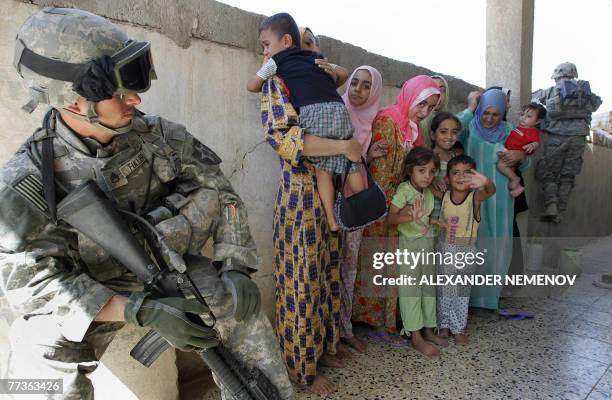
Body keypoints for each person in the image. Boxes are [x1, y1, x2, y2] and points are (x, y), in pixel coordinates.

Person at [0, 8, 292, 400]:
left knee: (243, 313)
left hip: (169, 269)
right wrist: (137, 309)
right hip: (95, 295)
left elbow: (220, 191)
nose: (134, 99)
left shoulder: (156, 135)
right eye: (118, 93)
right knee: (34, 375)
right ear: (72, 101)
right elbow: (30, 285)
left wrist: (236, 264)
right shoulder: (27, 182)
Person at [255, 17, 364, 398]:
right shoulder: (276, 81)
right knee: (300, 284)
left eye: (310, 45)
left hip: (328, 189)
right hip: (299, 197)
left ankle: (323, 348)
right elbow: (283, 139)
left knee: (327, 277)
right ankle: (302, 370)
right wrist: (342, 148)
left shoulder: (316, 78)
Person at [247, 13, 364, 231]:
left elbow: (252, 85)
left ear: (285, 41)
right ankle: (364, 204)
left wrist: (266, 62)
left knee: (324, 173)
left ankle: (333, 220)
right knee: (352, 165)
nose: (265, 50)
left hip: (315, 121)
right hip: (338, 112)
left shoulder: (280, 65)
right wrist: (332, 72)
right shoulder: (311, 65)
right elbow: (344, 72)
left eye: (266, 45)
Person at [352, 76, 440, 346]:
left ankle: (394, 321)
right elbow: (380, 172)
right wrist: (394, 205)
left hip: (400, 205)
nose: (424, 112)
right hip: (384, 206)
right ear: (410, 95)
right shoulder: (388, 121)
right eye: (422, 104)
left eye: (430, 108)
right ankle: (373, 321)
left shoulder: (412, 128)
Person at [456, 88, 529, 310]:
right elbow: (451, 132)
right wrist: (471, 108)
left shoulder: (509, 131)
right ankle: (466, 299)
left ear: (503, 114)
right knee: (473, 243)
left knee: (498, 244)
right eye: (485, 112)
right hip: (471, 196)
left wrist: (521, 156)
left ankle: (489, 298)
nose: (489, 119)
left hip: (500, 200)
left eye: (495, 114)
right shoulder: (469, 127)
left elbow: (526, 164)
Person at [339, 66, 383, 354]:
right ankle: (330, 335)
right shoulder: (337, 109)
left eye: (366, 85)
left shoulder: (369, 121)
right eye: (354, 82)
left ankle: (344, 330)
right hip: (327, 198)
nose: (357, 89)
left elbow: (355, 155)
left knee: (349, 269)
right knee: (327, 270)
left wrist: (369, 155)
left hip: (354, 204)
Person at [388, 147, 448, 356]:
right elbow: (392, 218)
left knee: (428, 288)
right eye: (422, 171)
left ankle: (429, 329)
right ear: (410, 170)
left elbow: (424, 215)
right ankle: (415, 336)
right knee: (411, 292)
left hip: (427, 244)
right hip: (410, 247)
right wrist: (410, 218)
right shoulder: (405, 190)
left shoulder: (429, 190)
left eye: (432, 171)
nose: (427, 176)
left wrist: (433, 221)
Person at [436, 155, 496, 345]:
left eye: (467, 173)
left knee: (461, 292)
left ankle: (458, 328)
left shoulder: (475, 198)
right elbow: (428, 185)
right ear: (448, 178)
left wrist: (485, 181)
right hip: (445, 249)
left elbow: (491, 191)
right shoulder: (444, 196)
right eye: (455, 173)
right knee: (445, 291)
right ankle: (443, 325)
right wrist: (437, 180)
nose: (461, 177)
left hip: (466, 251)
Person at [533, 62, 602, 223]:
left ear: (556, 75)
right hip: (578, 139)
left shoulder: (550, 91)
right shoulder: (585, 92)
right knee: (568, 176)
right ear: (574, 74)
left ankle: (551, 205)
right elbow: (596, 104)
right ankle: (561, 212)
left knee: (547, 172)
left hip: (556, 138)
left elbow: (531, 100)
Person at [495, 102, 547, 197]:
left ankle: (515, 179)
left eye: (529, 116)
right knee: (507, 167)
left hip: (514, 155)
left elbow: (536, 142)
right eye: (522, 115)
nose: (523, 118)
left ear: (537, 121)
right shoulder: (518, 128)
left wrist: (533, 145)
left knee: (501, 166)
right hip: (509, 152)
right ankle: (517, 187)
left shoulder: (532, 131)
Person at [429, 112, 463, 221]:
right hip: (430, 215)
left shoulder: (456, 158)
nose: (449, 136)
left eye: (454, 132)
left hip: (451, 215)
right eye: (443, 132)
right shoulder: (427, 158)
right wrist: (432, 181)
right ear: (433, 135)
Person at [420, 75, 450, 147]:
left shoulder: (449, 119)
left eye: (442, 90)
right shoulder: (418, 118)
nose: (438, 94)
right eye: (433, 89)